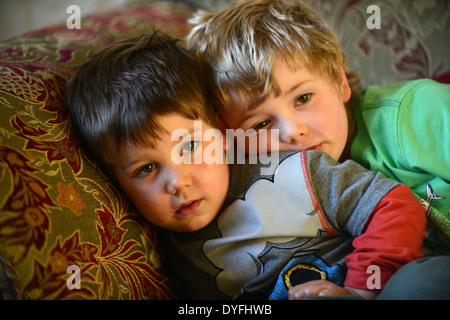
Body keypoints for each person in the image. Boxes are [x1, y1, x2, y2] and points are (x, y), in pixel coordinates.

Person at [65, 31, 426, 300]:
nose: (177, 182)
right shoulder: (175, 256)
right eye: (145, 169)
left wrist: (360, 290)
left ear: (221, 132)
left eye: (191, 146)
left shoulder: (293, 170)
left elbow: (393, 206)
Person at [185, 0, 450, 299]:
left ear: (339, 79)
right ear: (228, 137)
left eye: (303, 98)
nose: (292, 131)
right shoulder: (288, 188)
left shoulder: (416, 113)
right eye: (260, 124)